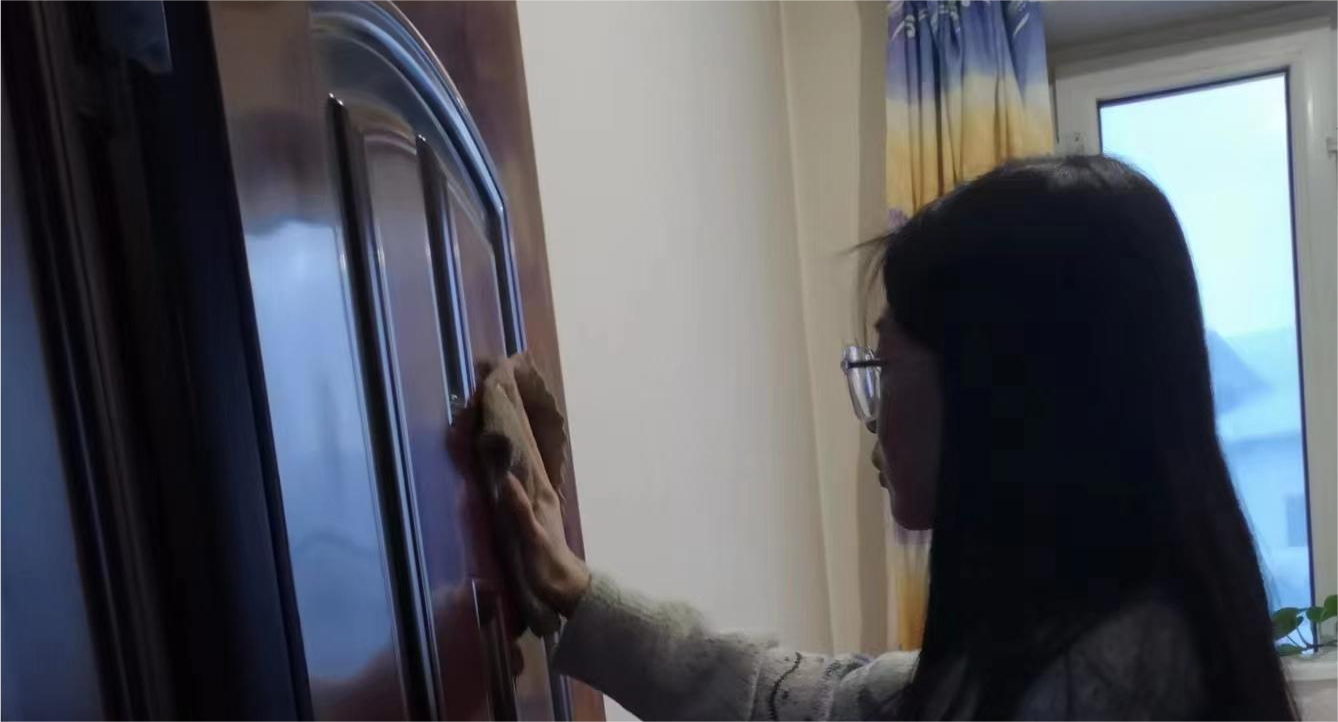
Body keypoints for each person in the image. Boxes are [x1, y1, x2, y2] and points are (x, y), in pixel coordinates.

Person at [499, 155, 1299, 721]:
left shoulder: (1094, 687)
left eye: (885, 362)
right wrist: (576, 588)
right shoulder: (1073, 646)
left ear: (998, 389)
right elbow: (808, 699)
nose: (874, 415)